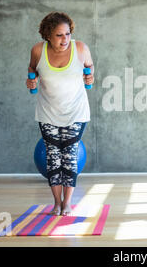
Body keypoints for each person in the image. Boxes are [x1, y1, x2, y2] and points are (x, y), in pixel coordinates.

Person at [26, 12, 94, 216]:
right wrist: (31, 80)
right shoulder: (38, 50)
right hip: (48, 113)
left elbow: (89, 66)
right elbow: (32, 68)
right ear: (47, 35)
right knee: (53, 158)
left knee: (70, 157)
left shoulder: (80, 48)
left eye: (67, 34)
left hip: (76, 111)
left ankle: (68, 202)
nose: (65, 39)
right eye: (59, 35)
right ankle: (56, 202)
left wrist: (90, 76)